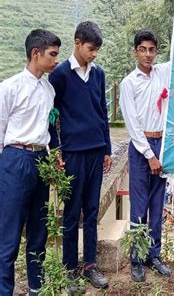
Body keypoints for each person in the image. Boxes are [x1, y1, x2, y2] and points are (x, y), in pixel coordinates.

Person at [48, 21, 111, 290]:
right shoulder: (60, 74)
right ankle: (70, 269)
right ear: (76, 42)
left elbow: (103, 113)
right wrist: (56, 148)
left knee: (92, 210)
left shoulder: (98, 74)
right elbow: (50, 115)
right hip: (73, 152)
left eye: (97, 50)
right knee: (72, 212)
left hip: (97, 151)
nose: (93, 54)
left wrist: (108, 149)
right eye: (90, 49)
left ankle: (90, 266)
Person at [0, 29, 61, 296]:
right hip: (15, 158)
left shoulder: (49, 90)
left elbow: (49, 128)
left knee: (39, 229)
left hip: (41, 158)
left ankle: (36, 287)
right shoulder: (9, 88)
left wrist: (54, 156)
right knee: (9, 232)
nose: (56, 60)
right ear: (36, 54)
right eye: (53, 54)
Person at [119, 29, 172, 282]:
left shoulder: (163, 72)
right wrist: (150, 154)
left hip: (163, 142)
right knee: (139, 206)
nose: (148, 54)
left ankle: (155, 255)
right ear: (135, 52)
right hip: (142, 148)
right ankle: (137, 259)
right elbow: (132, 125)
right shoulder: (129, 83)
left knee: (157, 203)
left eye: (152, 50)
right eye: (143, 49)